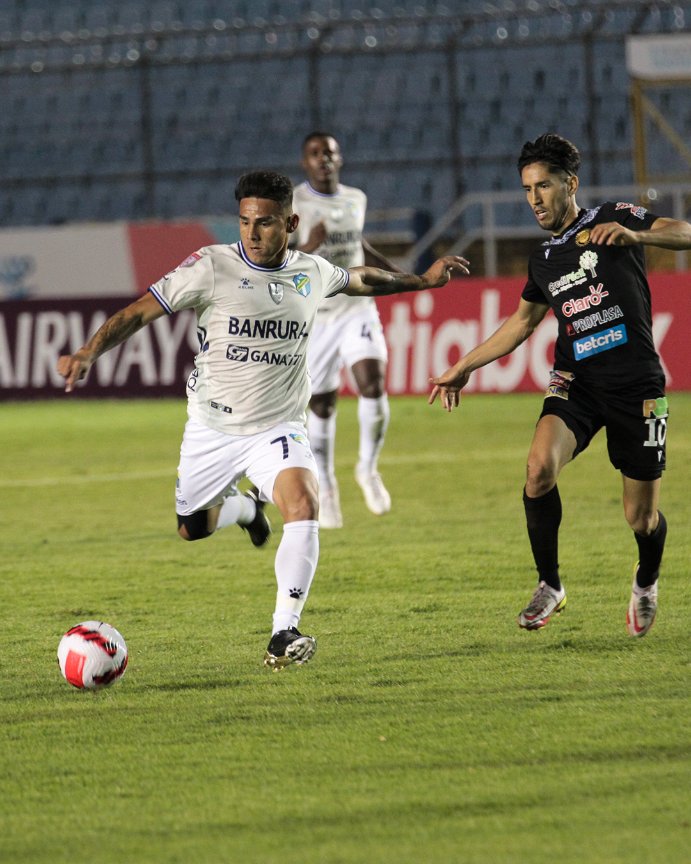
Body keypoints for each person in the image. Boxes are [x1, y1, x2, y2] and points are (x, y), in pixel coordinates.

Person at [58, 169, 469, 669]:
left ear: (291, 223)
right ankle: (247, 511)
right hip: (212, 427)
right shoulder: (211, 266)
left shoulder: (311, 271)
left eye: (266, 223)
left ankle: (283, 630)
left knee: (304, 502)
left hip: (278, 426)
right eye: (245, 221)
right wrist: (88, 351)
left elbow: (362, 278)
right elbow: (141, 311)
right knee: (192, 528)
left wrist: (423, 280)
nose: (252, 232)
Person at [429, 133, 691, 638]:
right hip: (577, 383)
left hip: (636, 385)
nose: (534, 199)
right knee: (537, 470)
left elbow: (684, 231)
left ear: (570, 184)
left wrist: (637, 237)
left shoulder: (615, 218)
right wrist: (464, 365)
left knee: (640, 518)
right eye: (527, 189)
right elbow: (522, 323)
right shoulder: (543, 258)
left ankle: (646, 579)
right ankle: (550, 584)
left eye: (543, 186)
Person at [293, 131, 402, 529]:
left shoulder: (356, 199)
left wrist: (401, 276)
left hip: (357, 307)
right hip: (317, 316)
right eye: (315, 153)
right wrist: (309, 245)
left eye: (330, 152)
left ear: (340, 159)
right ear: (305, 162)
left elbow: (358, 246)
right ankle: (326, 486)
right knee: (322, 406)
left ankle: (368, 469)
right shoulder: (294, 203)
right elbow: (277, 260)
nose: (323, 159)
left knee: (373, 383)